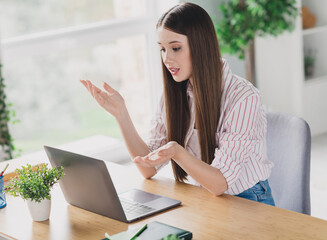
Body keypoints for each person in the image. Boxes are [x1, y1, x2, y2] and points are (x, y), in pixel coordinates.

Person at [80, 2, 275, 206]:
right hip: (202, 196)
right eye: (162, 49)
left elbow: (219, 184)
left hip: (248, 199)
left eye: (175, 48)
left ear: (201, 45)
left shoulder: (243, 98)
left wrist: (177, 152)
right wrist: (121, 114)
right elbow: (148, 168)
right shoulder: (174, 92)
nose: (167, 58)